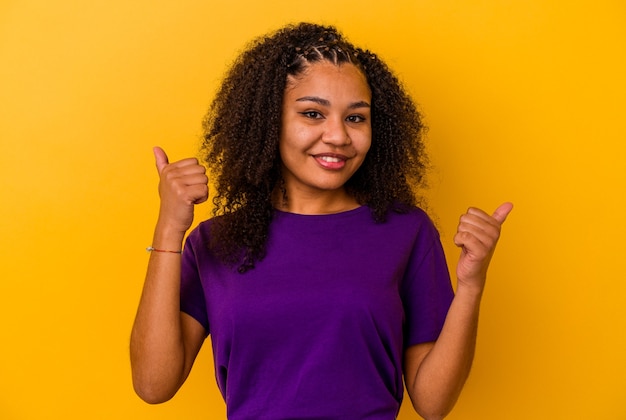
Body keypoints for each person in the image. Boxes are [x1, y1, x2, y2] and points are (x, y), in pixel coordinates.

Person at [130, 22, 513, 420]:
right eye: (313, 113)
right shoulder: (215, 241)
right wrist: (169, 230)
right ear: (268, 121)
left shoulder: (407, 232)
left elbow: (433, 404)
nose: (338, 137)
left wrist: (471, 284)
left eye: (356, 118)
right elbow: (154, 385)